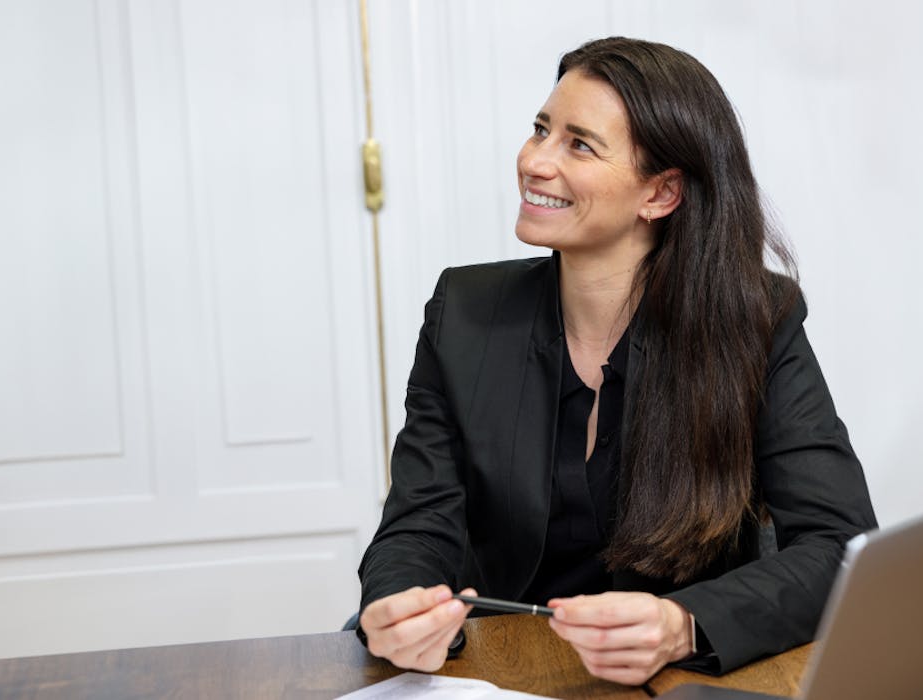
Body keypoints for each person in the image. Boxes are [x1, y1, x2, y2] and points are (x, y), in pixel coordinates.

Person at [356, 36, 877, 685]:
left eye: (579, 144)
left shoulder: (759, 321)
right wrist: (396, 604)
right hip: (501, 675)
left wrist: (683, 623)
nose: (534, 161)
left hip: (686, 680)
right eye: (540, 130)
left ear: (660, 193)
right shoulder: (463, 313)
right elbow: (417, 524)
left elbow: (839, 545)